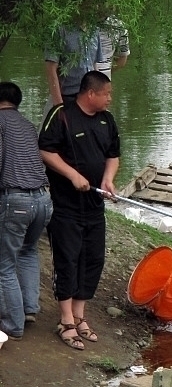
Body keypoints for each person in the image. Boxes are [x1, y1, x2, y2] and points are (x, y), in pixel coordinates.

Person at [38, 71, 119, 351]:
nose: (110, 98)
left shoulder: (107, 120)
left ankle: (80, 315)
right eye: (107, 93)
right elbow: (45, 151)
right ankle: (66, 320)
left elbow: (113, 155)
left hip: (94, 206)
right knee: (68, 260)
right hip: (65, 207)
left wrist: (108, 179)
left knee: (93, 259)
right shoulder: (61, 115)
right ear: (91, 94)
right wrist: (72, 174)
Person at [0, 82, 52, 340]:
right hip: (43, 199)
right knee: (29, 251)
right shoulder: (28, 125)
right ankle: (29, 308)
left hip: (16, 200)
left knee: (4, 265)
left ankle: (12, 324)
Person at [43, 24, 105, 108]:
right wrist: (59, 105)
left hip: (90, 98)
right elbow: (51, 70)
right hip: (67, 97)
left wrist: (101, 97)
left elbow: (94, 65)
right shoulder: (59, 30)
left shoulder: (94, 30)